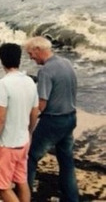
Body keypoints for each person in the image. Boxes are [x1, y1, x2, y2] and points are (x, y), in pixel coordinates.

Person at [24, 36, 79, 201]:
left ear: (38, 50)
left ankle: (23, 195)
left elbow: (41, 104)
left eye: (31, 53)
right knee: (66, 161)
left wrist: (27, 121)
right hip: (70, 117)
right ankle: (71, 198)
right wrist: (37, 79)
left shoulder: (46, 71)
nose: (30, 57)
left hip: (53, 121)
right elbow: (61, 84)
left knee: (31, 156)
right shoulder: (66, 63)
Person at [0, 43, 39, 202]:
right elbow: (34, 111)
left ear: (1, 60)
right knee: (21, 181)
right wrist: (29, 131)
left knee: (2, 187)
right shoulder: (29, 81)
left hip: (7, 144)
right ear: (19, 59)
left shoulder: (3, 84)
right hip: (23, 141)